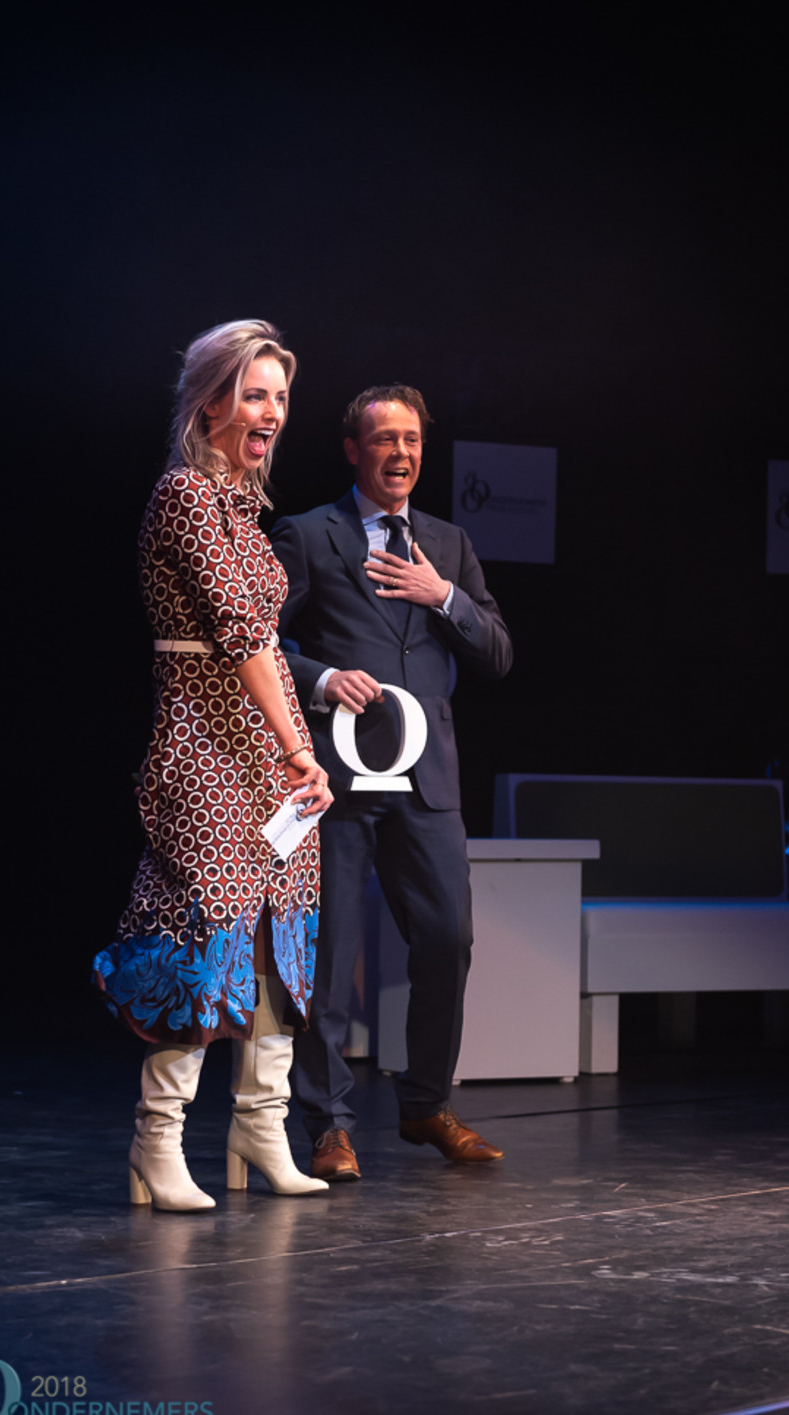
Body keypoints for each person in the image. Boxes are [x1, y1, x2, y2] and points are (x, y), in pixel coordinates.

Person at [93, 320, 333, 1211]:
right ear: (210, 403)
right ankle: (157, 1143)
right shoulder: (186, 496)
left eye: (280, 397)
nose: (271, 412)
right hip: (204, 748)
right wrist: (300, 745)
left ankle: (260, 1127)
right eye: (254, 394)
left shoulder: (242, 505)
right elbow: (240, 634)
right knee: (207, 933)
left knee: (279, 934)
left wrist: (295, 753)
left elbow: (266, 639)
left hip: (270, 753)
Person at [270, 384, 513, 1181]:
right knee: (330, 956)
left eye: (411, 439)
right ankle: (328, 1124)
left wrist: (443, 595)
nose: (401, 452)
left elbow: (498, 652)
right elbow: (258, 646)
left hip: (426, 779)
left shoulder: (448, 542)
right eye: (384, 439)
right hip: (336, 779)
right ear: (354, 449)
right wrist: (321, 676)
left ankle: (426, 1104)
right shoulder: (309, 534)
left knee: (448, 937)